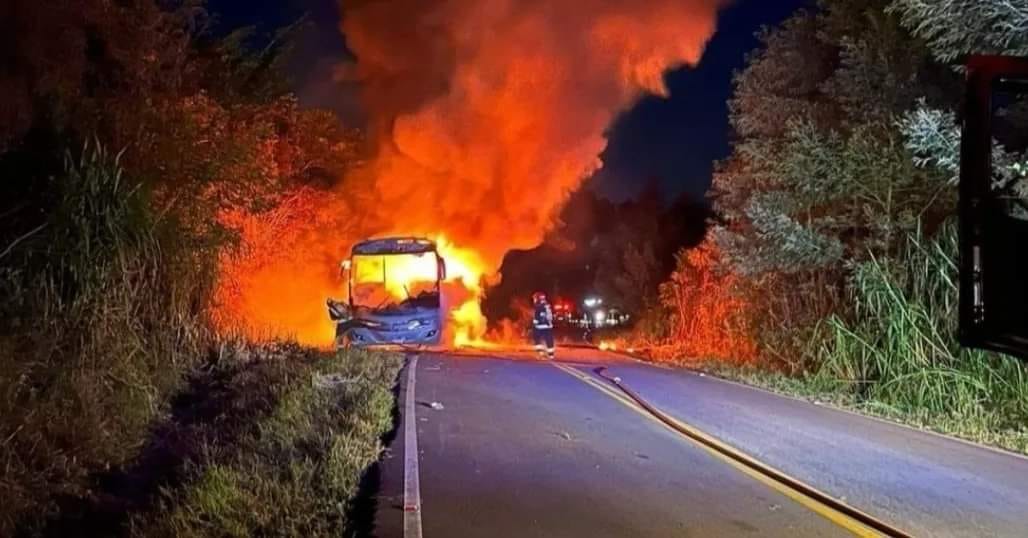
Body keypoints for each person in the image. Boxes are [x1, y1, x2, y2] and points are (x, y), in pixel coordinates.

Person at [531, 291, 556, 360]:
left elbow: (537, 316)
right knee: (549, 340)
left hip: (540, 326)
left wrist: (534, 323)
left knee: (537, 339)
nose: (534, 300)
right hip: (548, 326)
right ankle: (551, 355)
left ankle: (541, 354)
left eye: (535, 298)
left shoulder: (538, 306)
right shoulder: (547, 305)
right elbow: (550, 315)